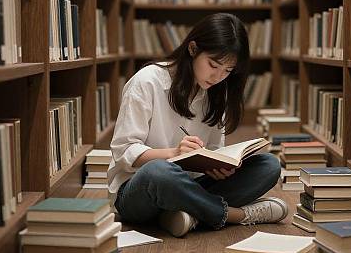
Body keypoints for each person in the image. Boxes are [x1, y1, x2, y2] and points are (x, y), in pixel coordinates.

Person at [108, 13, 287, 237]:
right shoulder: (147, 81)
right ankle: (235, 215)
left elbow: (212, 150)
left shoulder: (217, 93)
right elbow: (123, 151)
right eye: (213, 64)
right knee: (159, 171)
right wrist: (173, 153)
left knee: (268, 165)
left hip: (190, 187)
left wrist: (218, 165)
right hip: (139, 190)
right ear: (192, 49)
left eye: (228, 71)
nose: (218, 77)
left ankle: (184, 214)